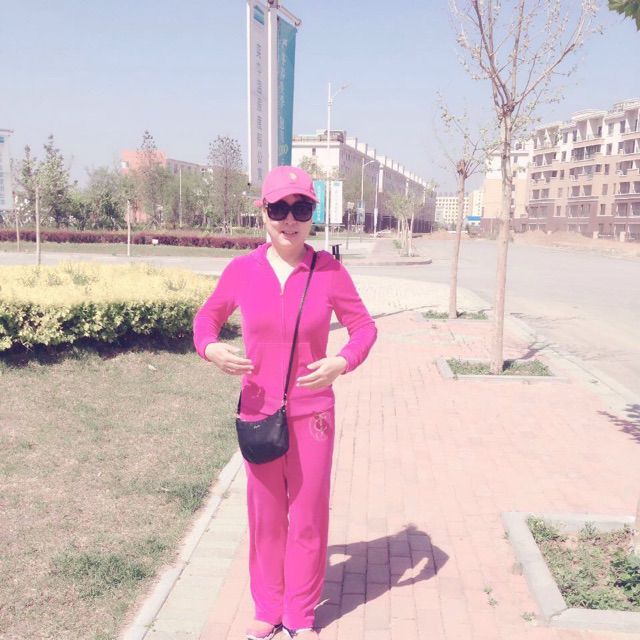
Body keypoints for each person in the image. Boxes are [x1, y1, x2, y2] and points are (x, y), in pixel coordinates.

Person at [193, 165, 377, 640]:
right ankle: (268, 607)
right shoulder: (241, 270)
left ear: (313, 214)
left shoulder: (329, 271)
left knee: (309, 515)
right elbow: (206, 319)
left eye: (301, 208)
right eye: (279, 208)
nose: (289, 219)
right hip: (258, 412)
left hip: (313, 415)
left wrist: (341, 362)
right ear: (263, 213)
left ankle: (300, 613)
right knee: (267, 515)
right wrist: (212, 349)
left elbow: (364, 327)